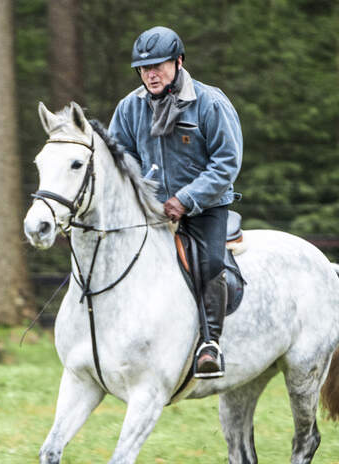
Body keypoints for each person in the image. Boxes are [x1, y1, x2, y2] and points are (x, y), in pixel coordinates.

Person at [108, 26, 243, 379]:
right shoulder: (129, 108)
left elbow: (226, 162)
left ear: (179, 62)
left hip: (205, 207)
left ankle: (209, 344)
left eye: (159, 66)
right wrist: (143, 199)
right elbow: (120, 160)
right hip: (151, 212)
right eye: (144, 68)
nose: (151, 74)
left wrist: (185, 199)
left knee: (211, 262)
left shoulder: (211, 102)